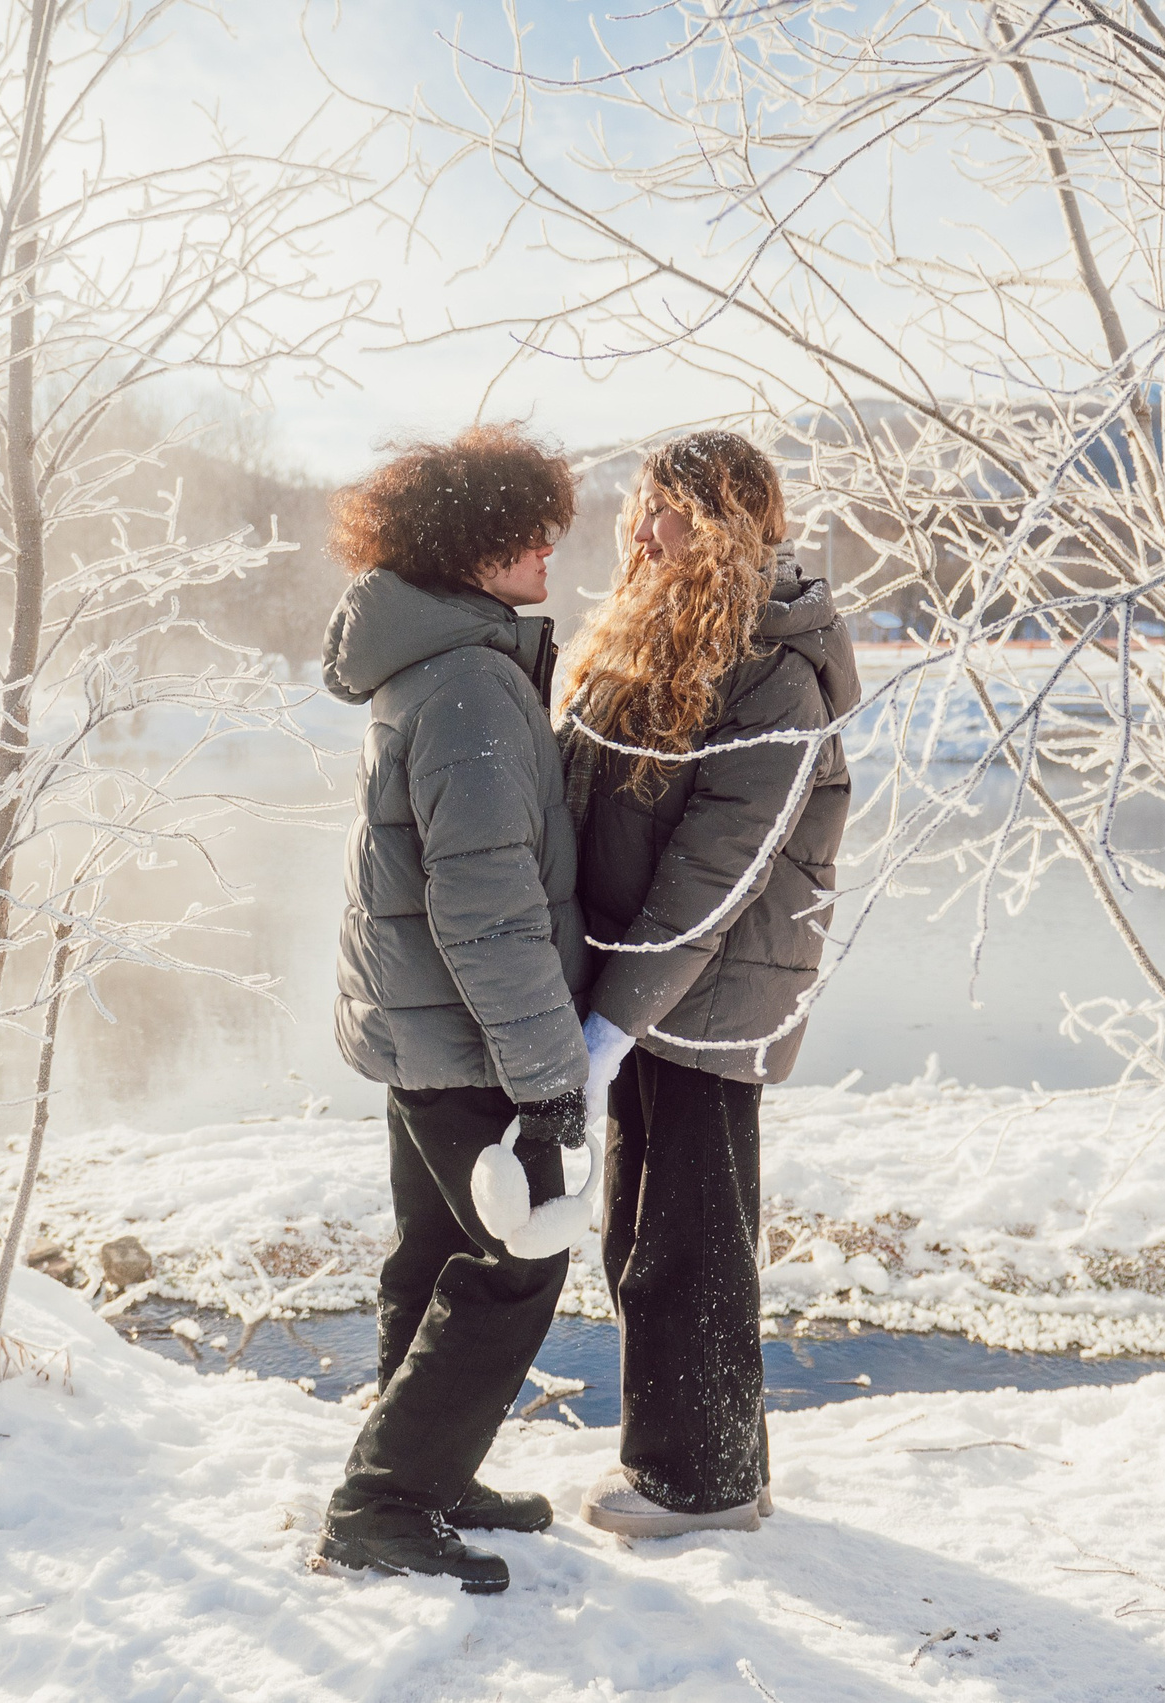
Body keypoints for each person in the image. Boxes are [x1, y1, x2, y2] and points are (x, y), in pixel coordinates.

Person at [558, 431, 856, 1540]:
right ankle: (678, 1454)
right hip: (644, 997)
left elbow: (711, 878)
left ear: (727, 522)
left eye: (667, 511)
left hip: (707, 998)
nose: (643, 530)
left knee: (687, 1242)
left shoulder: (772, 668)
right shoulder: (662, 634)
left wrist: (604, 1027)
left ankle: (708, 1479)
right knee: (637, 1231)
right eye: (641, 507)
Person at [315, 424, 593, 1595]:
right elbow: (484, 902)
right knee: (514, 1260)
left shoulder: (434, 664)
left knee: (434, 1258)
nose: (548, 552)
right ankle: (382, 1504)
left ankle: (432, 1470)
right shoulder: (472, 685)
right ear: (476, 547)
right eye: (529, 533)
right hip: (469, 1036)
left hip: (422, 1025)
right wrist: (546, 1082)